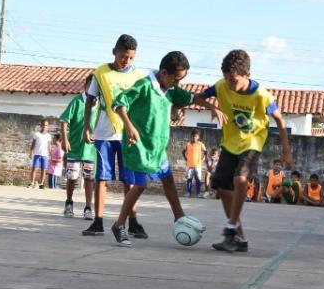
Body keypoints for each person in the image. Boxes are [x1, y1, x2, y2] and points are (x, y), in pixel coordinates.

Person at [109, 51, 225, 246]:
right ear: (164, 72)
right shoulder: (144, 86)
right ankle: (119, 225)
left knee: (168, 180)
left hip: (157, 148)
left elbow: (191, 97)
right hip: (139, 147)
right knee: (140, 186)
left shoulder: (170, 89)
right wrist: (130, 128)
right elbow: (119, 103)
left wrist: (211, 107)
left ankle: (179, 218)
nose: (177, 83)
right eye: (176, 79)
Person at [199, 49, 292, 252]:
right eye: (226, 79)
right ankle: (238, 238)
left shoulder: (262, 95)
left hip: (252, 142)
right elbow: (197, 98)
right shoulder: (221, 86)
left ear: (247, 75)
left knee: (240, 179)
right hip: (230, 143)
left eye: (234, 80)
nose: (230, 84)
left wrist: (286, 152)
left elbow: (280, 120)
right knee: (222, 188)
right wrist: (212, 107)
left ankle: (231, 227)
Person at [82, 34, 146, 237]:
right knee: (101, 178)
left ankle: (133, 221)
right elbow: (90, 101)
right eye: (123, 56)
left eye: (130, 58)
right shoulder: (100, 73)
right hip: (104, 134)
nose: (126, 61)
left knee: (130, 180)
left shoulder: (138, 76)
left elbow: (144, 104)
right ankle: (98, 221)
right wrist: (86, 127)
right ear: (114, 52)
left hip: (128, 134)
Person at [60, 74, 97, 219]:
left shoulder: (100, 104)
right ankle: (69, 203)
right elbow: (64, 120)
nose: (93, 89)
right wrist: (65, 140)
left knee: (89, 178)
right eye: (91, 85)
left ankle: (88, 207)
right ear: (85, 86)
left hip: (91, 150)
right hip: (75, 147)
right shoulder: (77, 101)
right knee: (72, 176)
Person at [182, 128, 207, 198]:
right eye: (193, 136)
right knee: (189, 179)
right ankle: (188, 193)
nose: (194, 137)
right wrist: (186, 159)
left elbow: (205, 151)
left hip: (198, 165)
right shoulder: (188, 144)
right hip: (190, 165)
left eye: (196, 136)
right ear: (191, 136)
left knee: (198, 179)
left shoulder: (200, 144)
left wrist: (203, 158)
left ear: (198, 137)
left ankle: (198, 193)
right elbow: (183, 152)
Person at [28, 119, 51, 189]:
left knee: (43, 170)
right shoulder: (37, 134)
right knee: (34, 169)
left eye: (46, 125)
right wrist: (31, 153)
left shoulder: (48, 136)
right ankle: (32, 183)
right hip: (37, 154)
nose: (44, 126)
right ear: (41, 126)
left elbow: (49, 146)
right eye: (43, 125)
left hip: (45, 155)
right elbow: (33, 144)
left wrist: (49, 155)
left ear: (48, 126)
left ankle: (41, 184)